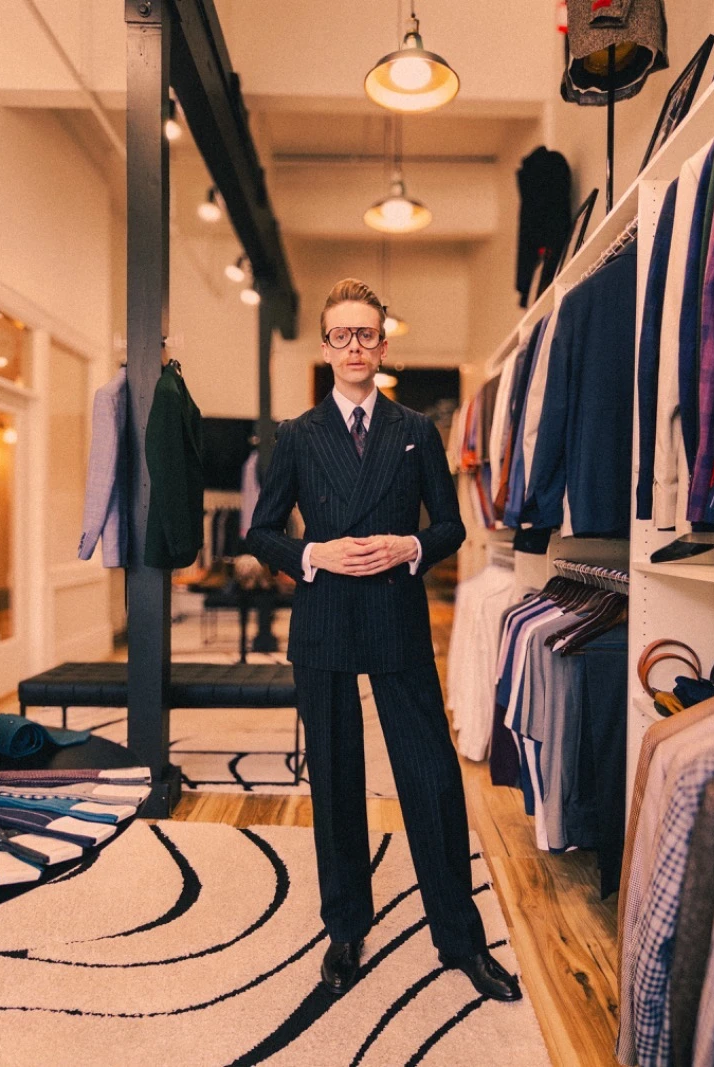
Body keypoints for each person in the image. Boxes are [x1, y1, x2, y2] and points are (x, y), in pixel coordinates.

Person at [245, 278, 521, 1002]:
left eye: (366, 334)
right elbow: (262, 532)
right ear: (326, 347)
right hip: (325, 619)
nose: (354, 347)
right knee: (336, 778)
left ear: (382, 344)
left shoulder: (416, 429)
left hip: (397, 614)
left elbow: (451, 526)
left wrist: (410, 545)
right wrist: (314, 554)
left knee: (432, 777)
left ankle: (461, 939)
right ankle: (345, 929)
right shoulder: (298, 435)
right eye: (341, 335)